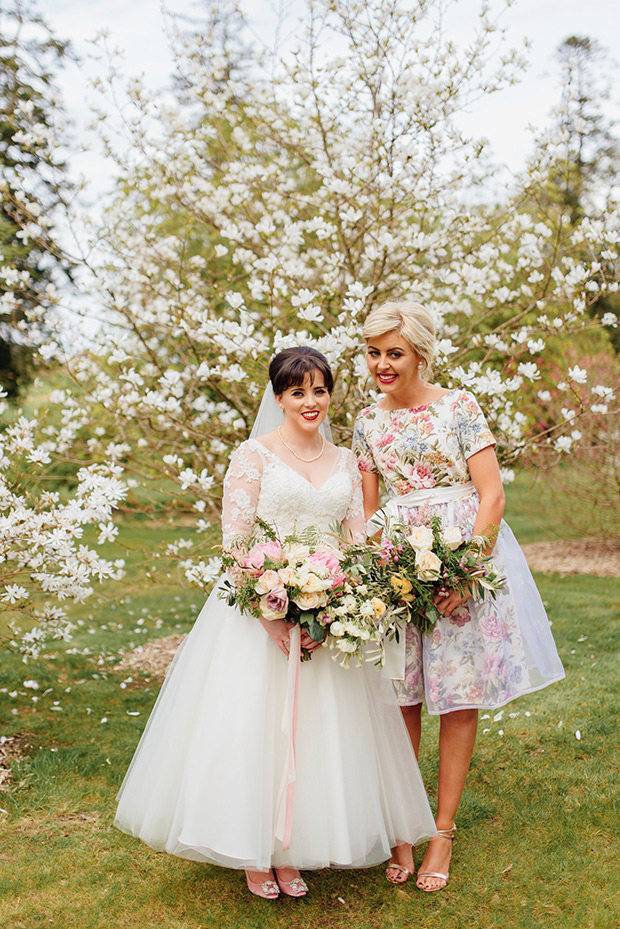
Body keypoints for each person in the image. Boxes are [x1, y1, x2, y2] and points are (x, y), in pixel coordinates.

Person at [115, 346, 436, 900]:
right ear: (278, 397)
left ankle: (292, 852)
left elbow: (356, 539)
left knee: (320, 734)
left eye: (318, 390)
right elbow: (237, 541)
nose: (309, 402)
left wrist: (340, 605)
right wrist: (273, 615)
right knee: (254, 731)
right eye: (296, 392)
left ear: (329, 393)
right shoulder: (253, 456)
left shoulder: (344, 461)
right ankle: (253, 854)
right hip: (256, 610)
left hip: (326, 612)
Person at [352, 302, 565, 893]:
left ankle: (441, 831)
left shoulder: (459, 406)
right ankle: (401, 825)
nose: (383, 365)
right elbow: (370, 509)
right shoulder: (367, 422)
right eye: (374, 353)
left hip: (460, 556)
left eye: (394, 352)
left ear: (420, 351)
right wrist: (382, 571)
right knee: (402, 696)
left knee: (458, 696)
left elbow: (491, 494)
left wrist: (467, 570)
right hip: (398, 564)